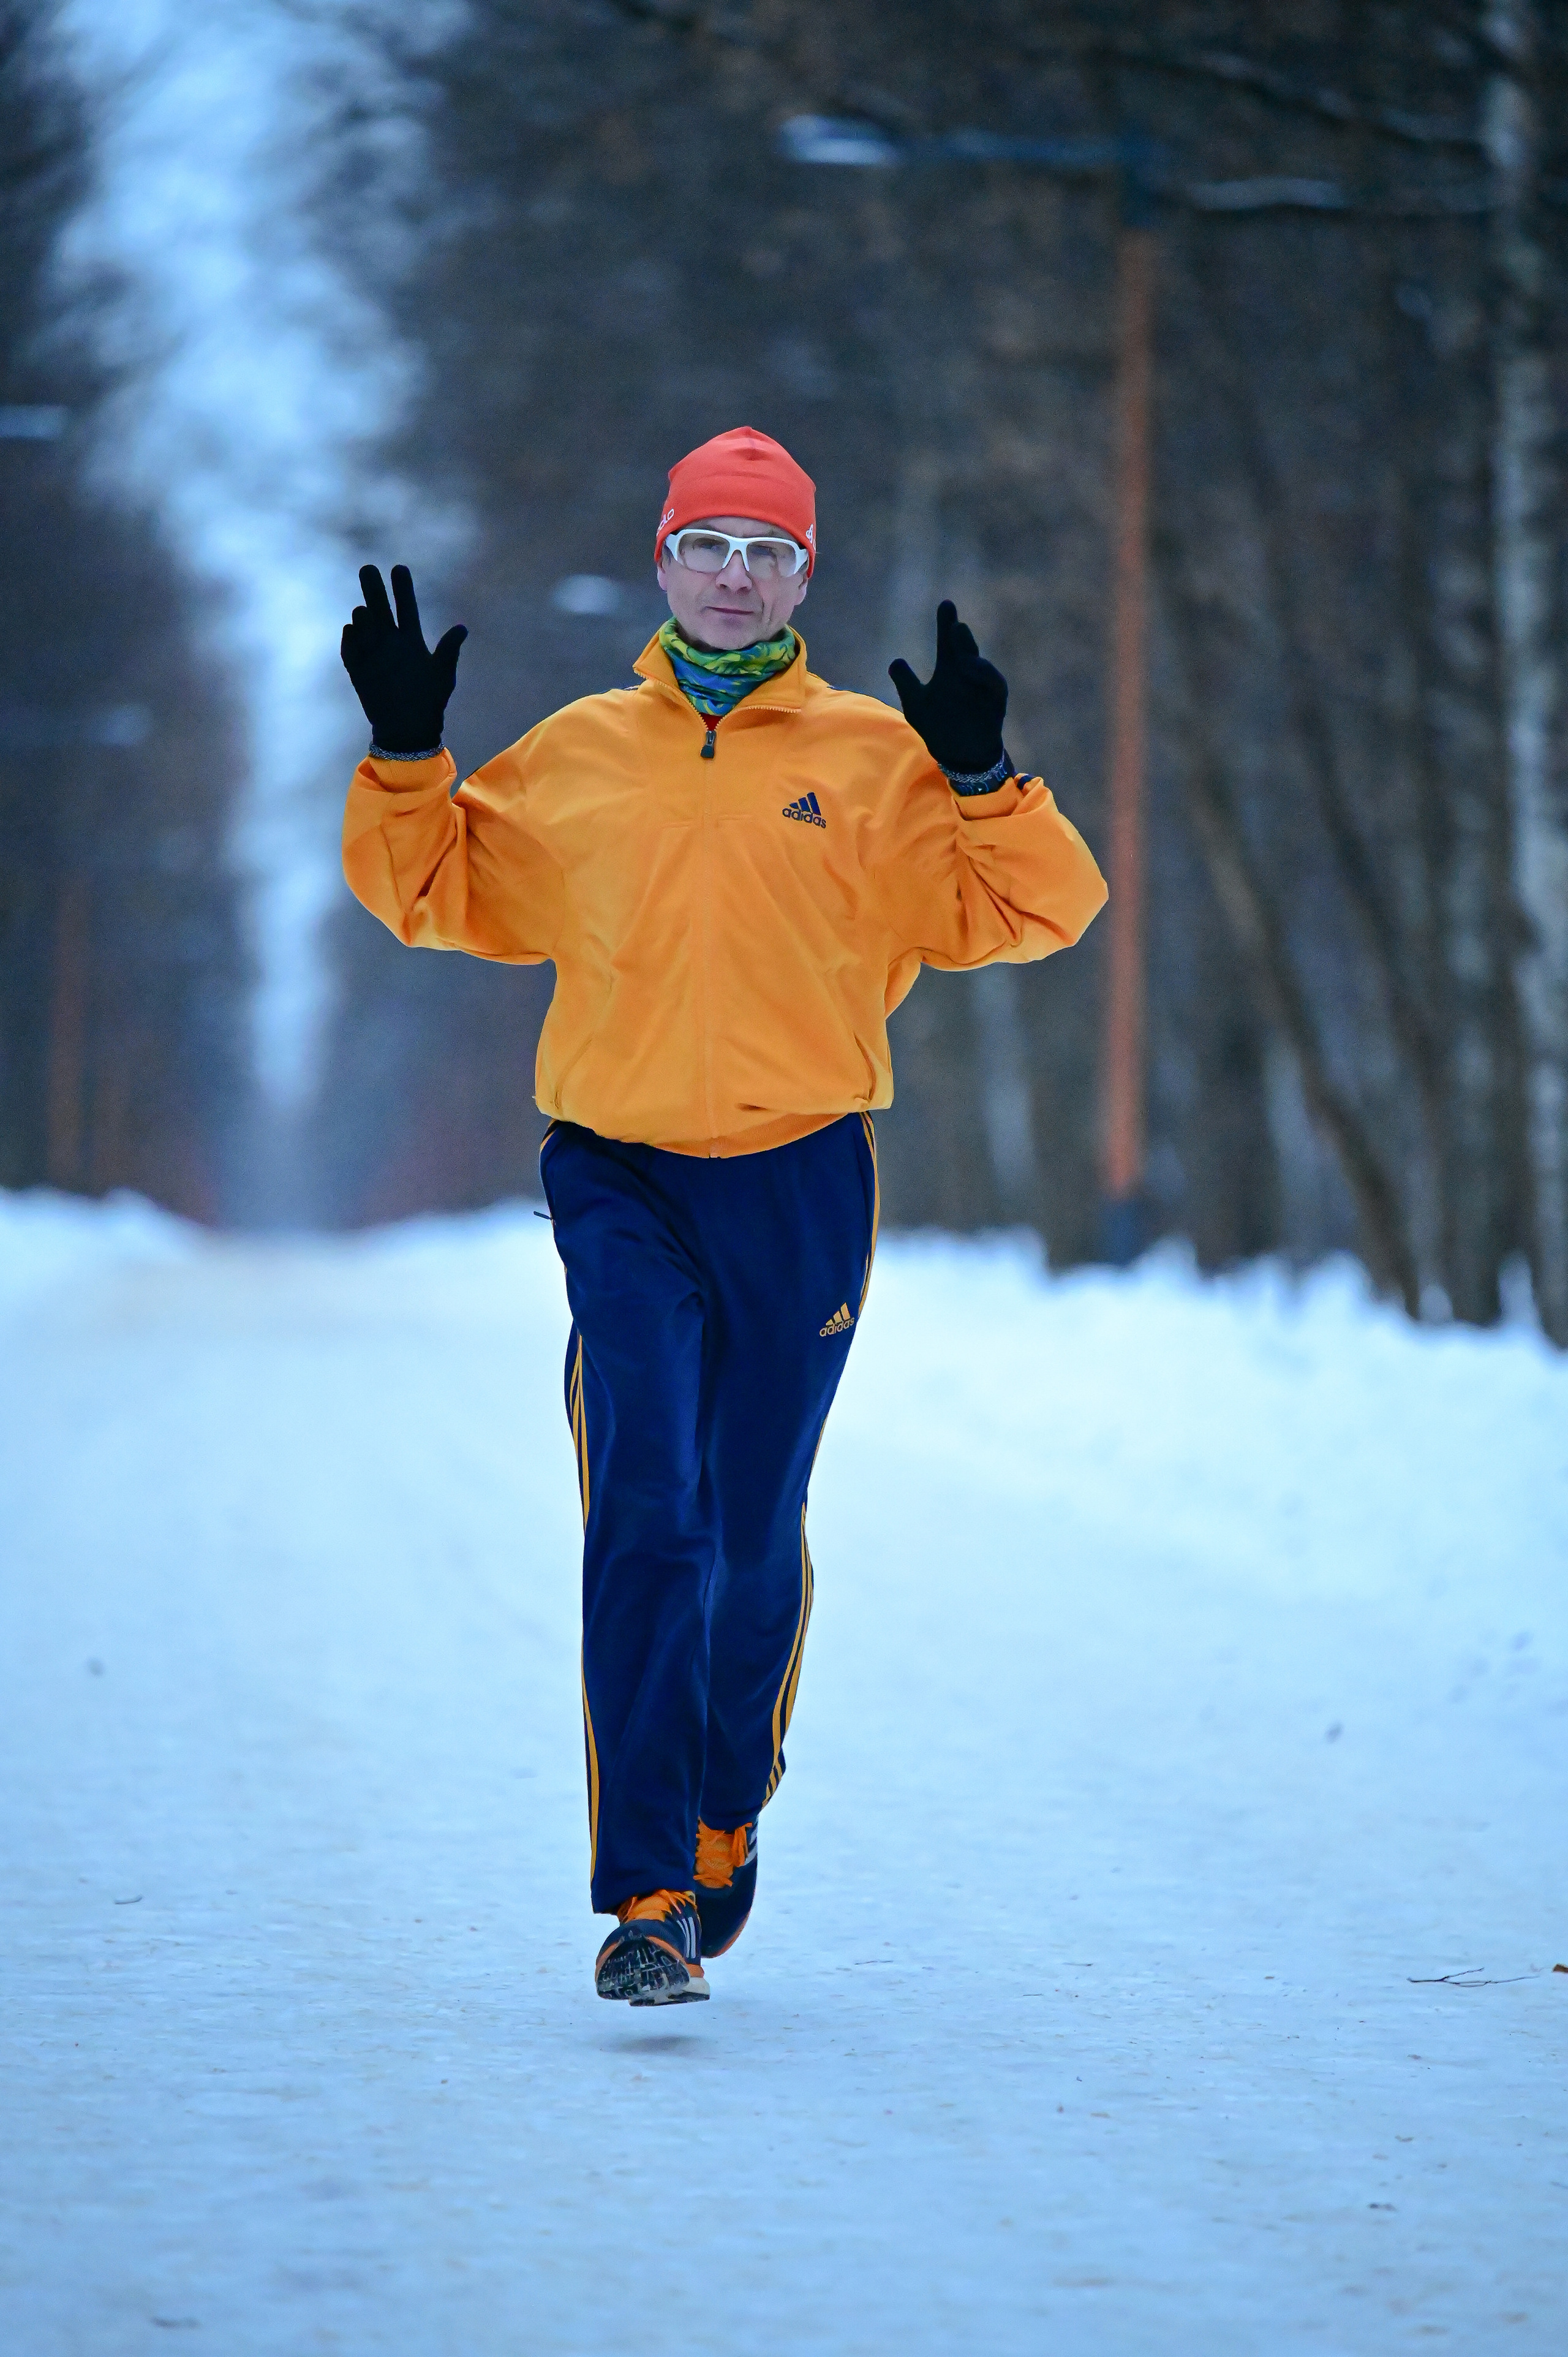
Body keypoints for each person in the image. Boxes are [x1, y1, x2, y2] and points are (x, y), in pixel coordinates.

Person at [341, 426, 1106, 2006]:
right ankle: (643, 1901)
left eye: (769, 550)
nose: (738, 572)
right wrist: (411, 754)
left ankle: (718, 1823)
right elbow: (430, 892)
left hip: (800, 1178)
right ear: (667, 562)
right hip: (616, 1174)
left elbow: (1044, 910)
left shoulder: (872, 759)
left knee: (749, 1534)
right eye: (712, 544)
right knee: (649, 1512)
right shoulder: (577, 755)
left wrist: (981, 777)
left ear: (804, 578)